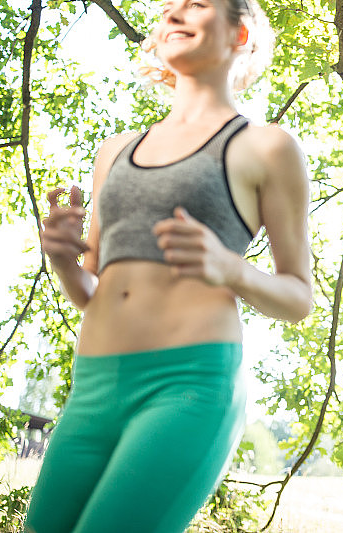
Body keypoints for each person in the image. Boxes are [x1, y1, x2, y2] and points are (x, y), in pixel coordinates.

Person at [25, 0, 312, 531]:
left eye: (195, 5)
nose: (174, 14)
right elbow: (93, 287)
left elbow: (299, 297)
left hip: (187, 386)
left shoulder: (268, 146)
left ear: (238, 33)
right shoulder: (115, 150)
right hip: (92, 386)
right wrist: (64, 260)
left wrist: (231, 269)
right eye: (168, 9)